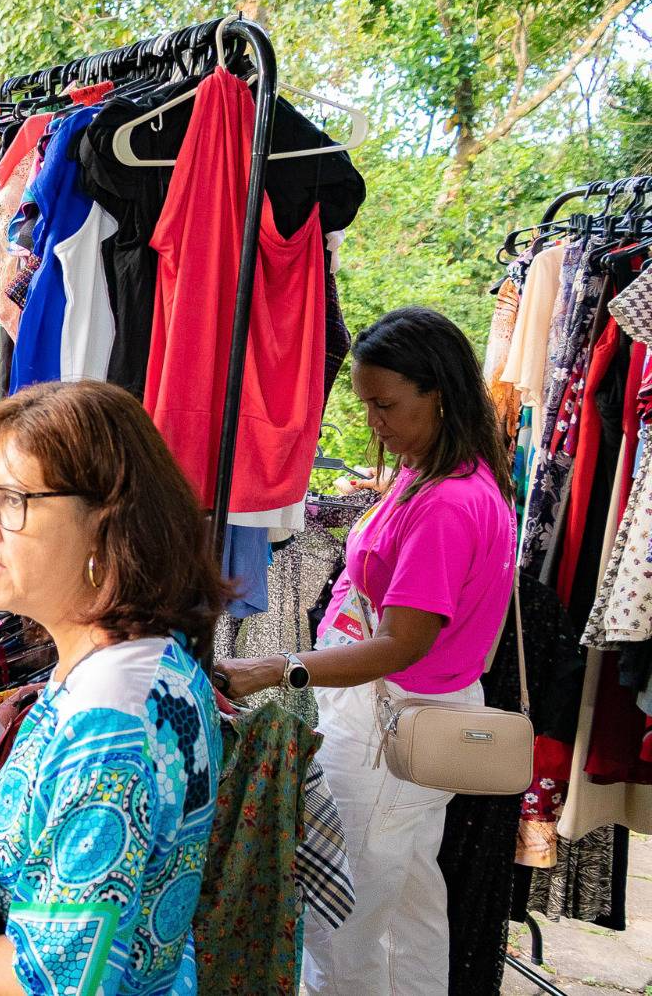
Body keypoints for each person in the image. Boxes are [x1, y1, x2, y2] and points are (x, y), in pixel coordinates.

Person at [217, 306, 517, 996]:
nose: (373, 421)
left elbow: (400, 644)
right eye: (367, 404)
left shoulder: (447, 503)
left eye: (385, 405)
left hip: (391, 723)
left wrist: (271, 668)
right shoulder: (447, 475)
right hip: (410, 719)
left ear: (437, 394)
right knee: (410, 902)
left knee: (343, 919)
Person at [0, 380, 227, 996]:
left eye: (11, 500)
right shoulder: (147, 661)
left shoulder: (107, 721)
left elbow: (53, 984)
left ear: (106, 522)